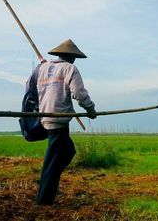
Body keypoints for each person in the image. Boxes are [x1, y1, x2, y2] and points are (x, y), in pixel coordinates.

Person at [31, 39, 97, 205]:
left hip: (44, 116)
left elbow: (33, 90)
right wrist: (90, 110)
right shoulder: (70, 68)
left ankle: (49, 184)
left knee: (67, 151)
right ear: (71, 56)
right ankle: (44, 199)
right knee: (54, 160)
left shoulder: (42, 68)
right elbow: (79, 94)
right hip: (58, 120)